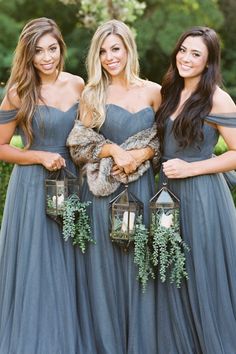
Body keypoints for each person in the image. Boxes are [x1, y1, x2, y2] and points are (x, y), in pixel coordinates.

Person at [67, 19, 161, 353]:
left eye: (115, 49)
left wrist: (143, 153)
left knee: (141, 270)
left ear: (128, 48)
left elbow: (165, 142)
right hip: (102, 196)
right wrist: (114, 149)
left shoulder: (154, 91)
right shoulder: (92, 94)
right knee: (104, 274)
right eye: (103, 51)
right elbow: (79, 145)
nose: (109, 57)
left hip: (143, 192)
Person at [0, 17, 84, 353]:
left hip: (75, 183)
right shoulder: (18, 92)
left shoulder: (79, 84)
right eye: (38, 51)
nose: (46, 57)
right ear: (28, 54)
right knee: (39, 264)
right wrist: (37, 157)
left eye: (52, 48)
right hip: (34, 185)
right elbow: (2, 147)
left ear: (61, 48)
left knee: (71, 260)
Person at [156, 26, 236, 353]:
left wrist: (192, 168)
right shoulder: (169, 91)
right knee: (172, 273)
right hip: (165, 197)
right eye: (183, 50)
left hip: (202, 197)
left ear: (209, 62)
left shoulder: (217, 97)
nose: (186, 58)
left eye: (196, 54)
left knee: (203, 273)